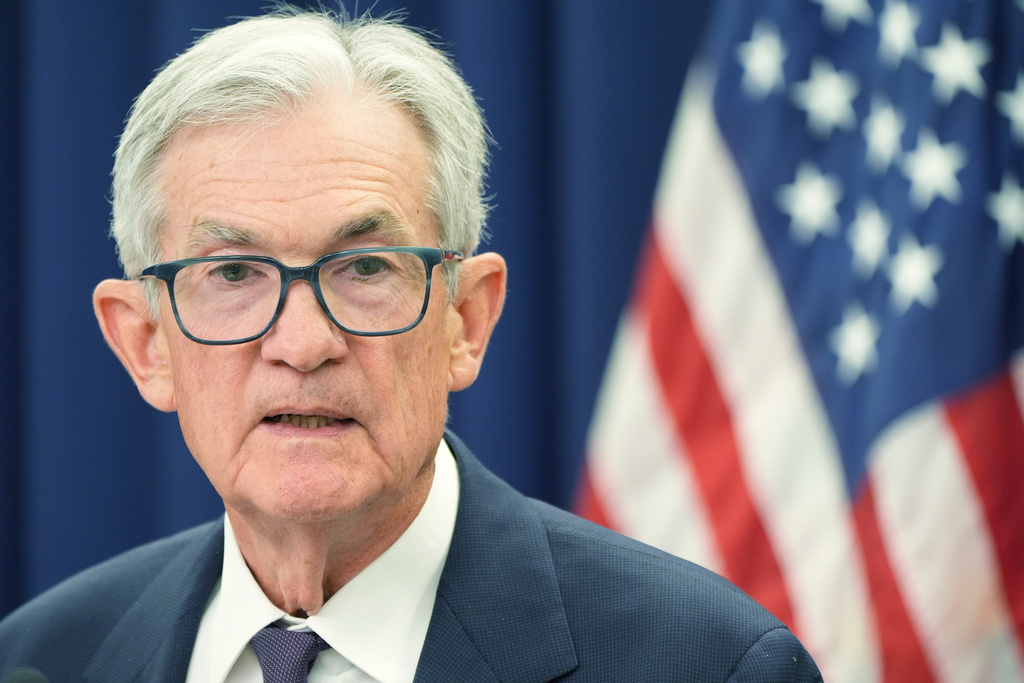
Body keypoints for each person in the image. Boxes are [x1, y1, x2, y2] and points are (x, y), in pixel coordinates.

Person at [0, 8, 821, 682]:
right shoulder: (42, 657)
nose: (303, 341)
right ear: (146, 343)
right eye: (234, 272)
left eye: (364, 266)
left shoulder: (707, 665)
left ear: (465, 319)